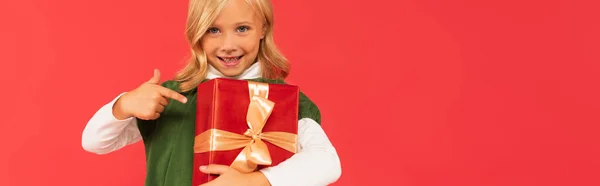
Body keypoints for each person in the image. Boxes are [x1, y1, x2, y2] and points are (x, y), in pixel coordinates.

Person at [81, 0, 341, 185]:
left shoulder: (288, 102)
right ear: (197, 33)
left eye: (242, 29)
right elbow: (94, 142)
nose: (228, 45)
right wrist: (123, 105)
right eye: (213, 30)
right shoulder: (172, 99)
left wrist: (254, 182)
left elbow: (327, 163)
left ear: (263, 28)